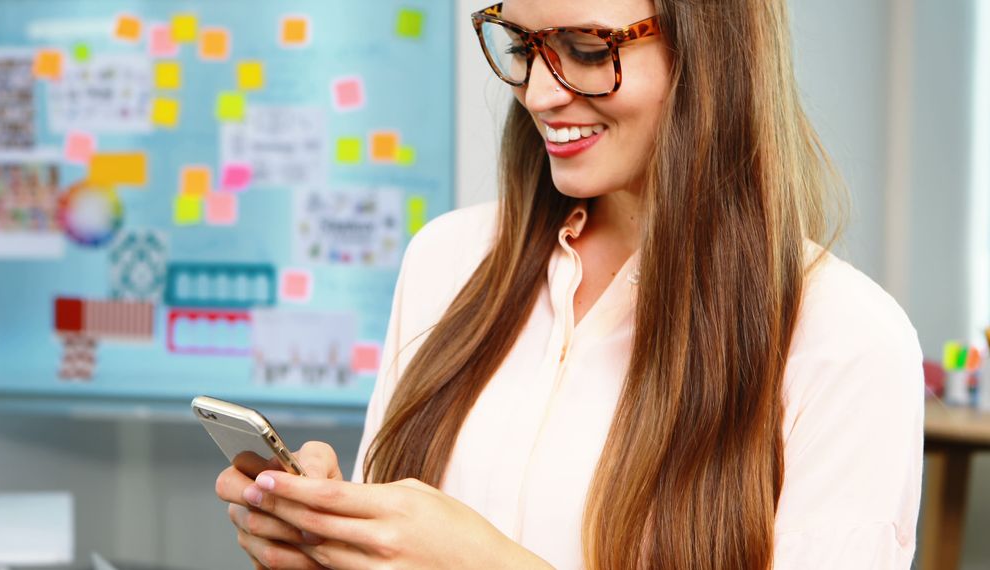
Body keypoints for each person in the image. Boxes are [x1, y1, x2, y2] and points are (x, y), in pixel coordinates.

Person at [215, 0, 924, 567]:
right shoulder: (448, 262)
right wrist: (326, 542)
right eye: (521, 46)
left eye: (589, 49)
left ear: (711, 51)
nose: (541, 93)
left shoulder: (848, 342)